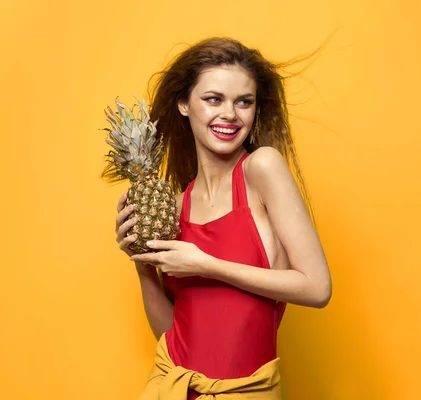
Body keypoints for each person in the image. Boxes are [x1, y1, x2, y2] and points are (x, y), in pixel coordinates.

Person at [114, 37, 332, 399]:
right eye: (213, 99)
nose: (229, 114)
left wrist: (208, 265)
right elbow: (172, 336)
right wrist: (140, 265)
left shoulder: (261, 169)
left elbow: (317, 287)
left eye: (243, 102)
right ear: (184, 104)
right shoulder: (178, 203)